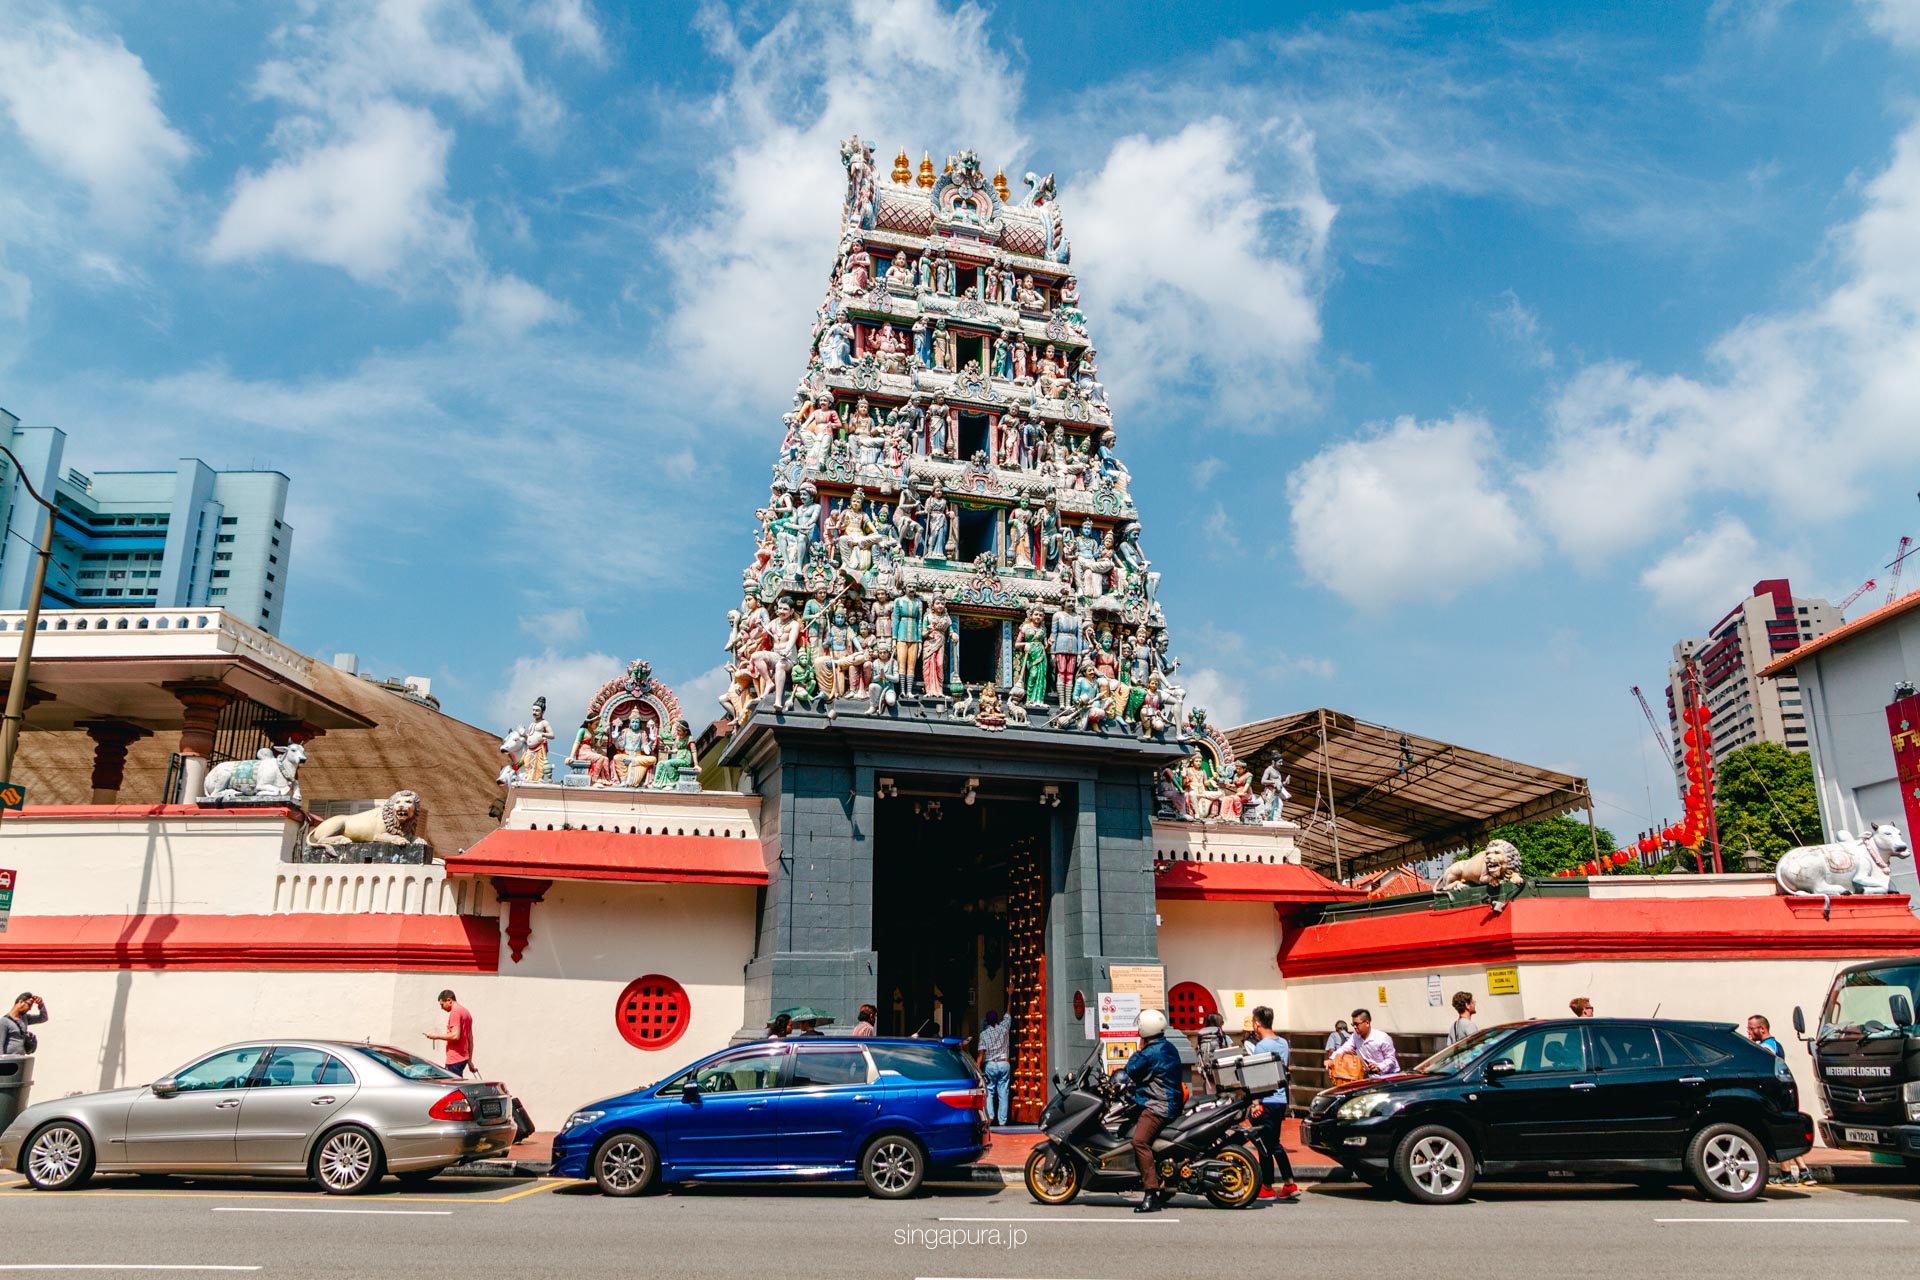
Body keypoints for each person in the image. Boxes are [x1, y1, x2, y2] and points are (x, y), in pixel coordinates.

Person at [1123, 1008, 1185, 1213]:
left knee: (1139, 1141)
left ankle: (1151, 1194)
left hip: (1159, 1105)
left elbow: (1131, 1068)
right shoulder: (1167, 1046)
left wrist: (1139, 1049)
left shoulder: (1150, 1052)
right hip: (1170, 1102)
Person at [1748, 1015, 1816, 1186]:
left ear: (1762, 1029)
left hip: (1775, 1094)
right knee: (1786, 1134)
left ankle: (1787, 1174)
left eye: (1751, 1028)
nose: (1748, 1032)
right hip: (1782, 1092)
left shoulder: (1766, 1049)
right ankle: (1804, 1172)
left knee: (1780, 1134)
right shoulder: (1776, 1044)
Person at [1247, 1006, 1298, 1201]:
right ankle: (1288, 1184)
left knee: (1266, 1145)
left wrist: (1255, 1103)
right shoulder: (1283, 1043)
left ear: (1257, 1024)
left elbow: (1258, 1076)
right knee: (1273, 1142)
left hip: (1266, 1100)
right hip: (1280, 1099)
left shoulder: (1261, 1047)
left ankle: (1268, 1186)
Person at [1329, 1009, 1399, 1077]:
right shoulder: (1355, 1036)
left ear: (1367, 1023)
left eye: (1357, 1024)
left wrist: (1379, 1067)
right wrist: (1331, 1059)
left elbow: (1391, 1059)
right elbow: (1344, 1048)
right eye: (1353, 1024)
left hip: (1390, 1077)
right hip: (1372, 1078)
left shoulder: (1382, 1038)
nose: (1355, 1027)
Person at [423, 989, 475, 1076]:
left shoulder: (455, 1012)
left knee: (452, 1086)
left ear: (449, 1000)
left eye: (442, 1004)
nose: (442, 1008)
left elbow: (455, 1035)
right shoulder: (466, 1012)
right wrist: (469, 1060)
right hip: (463, 1058)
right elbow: (470, 1039)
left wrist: (436, 1036)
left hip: (455, 1059)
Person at [978, 1011, 1012, 1127]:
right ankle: (1002, 1121)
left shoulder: (984, 1034)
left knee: (990, 1091)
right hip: (1004, 1063)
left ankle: (990, 1116)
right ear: (998, 1019)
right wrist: (1010, 995)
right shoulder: (1004, 1028)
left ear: (987, 1021)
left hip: (990, 1065)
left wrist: (977, 1070)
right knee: (1003, 1093)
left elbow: (981, 1055)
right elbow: (1008, 1015)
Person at [1194, 1011, 1230, 1094]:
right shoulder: (1223, 1035)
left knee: (1210, 1087)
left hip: (1206, 1066)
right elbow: (1230, 1050)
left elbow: (1198, 1049)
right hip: (1220, 1066)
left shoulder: (1202, 1034)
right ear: (1219, 1023)